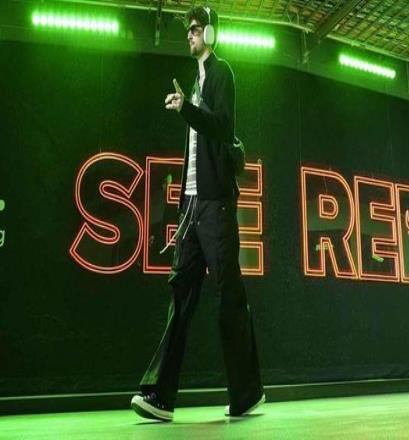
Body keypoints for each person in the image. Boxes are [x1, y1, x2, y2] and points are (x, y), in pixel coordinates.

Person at [131, 5, 264, 422]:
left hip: (216, 203)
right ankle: (160, 396)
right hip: (191, 205)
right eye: (187, 30)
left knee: (229, 297)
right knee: (180, 293)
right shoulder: (195, 80)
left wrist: (187, 109)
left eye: (194, 29)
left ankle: (247, 394)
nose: (188, 35)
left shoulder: (222, 73)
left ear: (209, 32)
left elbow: (223, 127)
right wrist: (181, 205)